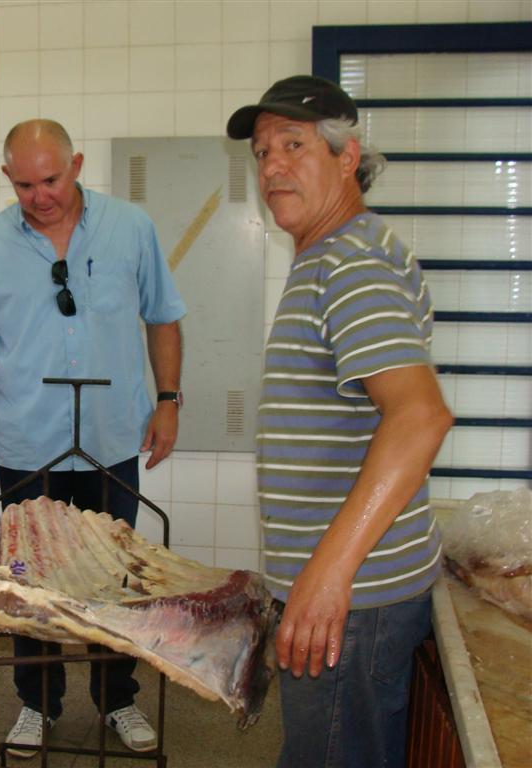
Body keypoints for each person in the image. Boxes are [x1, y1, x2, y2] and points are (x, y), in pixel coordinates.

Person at [226, 76, 454, 767]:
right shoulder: (334, 253)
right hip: (353, 597)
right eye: (263, 152)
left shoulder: (349, 264)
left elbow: (419, 418)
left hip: (354, 603)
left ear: (347, 156)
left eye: (294, 145)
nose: (272, 167)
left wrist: (326, 576)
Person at [0, 119, 186, 757]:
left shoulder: (131, 228)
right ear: (7, 178)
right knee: (27, 580)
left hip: (108, 442)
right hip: (24, 447)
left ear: (76, 164)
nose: (40, 195)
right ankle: (36, 704)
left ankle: (119, 699)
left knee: (113, 580)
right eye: (24, 184)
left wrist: (168, 402)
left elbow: (163, 319)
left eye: (51, 179)